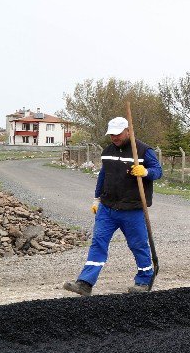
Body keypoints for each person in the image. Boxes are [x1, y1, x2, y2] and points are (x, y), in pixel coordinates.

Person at [63, 117, 162, 296]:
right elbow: (103, 175)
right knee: (98, 243)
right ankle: (85, 283)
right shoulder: (107, 151)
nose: (114, 138)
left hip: (132, 209)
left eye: (117, 134)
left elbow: (158, 171)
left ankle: (144, 281)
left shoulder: (143, 151)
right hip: (107, 208)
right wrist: (96, 199)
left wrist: (146, 172)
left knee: (138, 245)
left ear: (128, 132)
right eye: (112, 135)